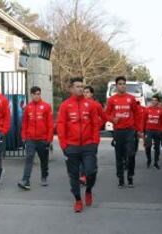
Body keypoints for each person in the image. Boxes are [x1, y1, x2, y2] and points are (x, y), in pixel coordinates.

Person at [57, 77, 100, 213]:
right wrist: (64, 145)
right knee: (73, 175)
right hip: (71, 147)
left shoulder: (90, 105)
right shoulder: (65, 105)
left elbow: (95, 124)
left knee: (91, 171)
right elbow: (61, 125)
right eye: (77, 86)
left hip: (88, 146)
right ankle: (78, 200)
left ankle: (88, 190)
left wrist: (95, 142)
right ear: (71, 88)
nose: (80, 89)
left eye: (82, 86)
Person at [105, 76, 143, 188]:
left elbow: (137, 114)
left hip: (130, 131)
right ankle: (121, 179)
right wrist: (112, 119)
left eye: (123, 84)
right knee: (119, 156)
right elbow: (106, 114)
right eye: (120, 84)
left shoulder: (131, 98)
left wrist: (139, 130)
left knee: (131, 154)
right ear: (116, 86)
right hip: (118, 131)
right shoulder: (112, 99)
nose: (122, 85)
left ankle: (130, 177)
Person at [18, 86, 54, 190]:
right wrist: (24, 136)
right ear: (31, 95)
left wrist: (49, 139)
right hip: (30, 139)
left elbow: (50, 125)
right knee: (29, 158)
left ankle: (44, 176)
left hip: (43, 139)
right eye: (35, 94)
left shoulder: (46, 106)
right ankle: (25, 180)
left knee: (44, 160)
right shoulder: (28, 107)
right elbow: (24, 123)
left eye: (39, 94)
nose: (37, 96)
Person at [79, 86, 106, 185]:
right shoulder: (79, 104)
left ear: (92, 94)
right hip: (81, 135)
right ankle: (83, 176)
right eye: (84, 92)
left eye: (87, 92)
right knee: (81, 156)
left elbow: (104, 117)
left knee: (90, 156)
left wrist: (98, 125)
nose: (85, 94)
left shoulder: (96, 105)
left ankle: (91, 171)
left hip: (92, 136)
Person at [143, 95, 162, 169]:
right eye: (152, 100)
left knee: (157, 147)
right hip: (148, 130)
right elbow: (143, 120)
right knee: (148, 145)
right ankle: (149, 160)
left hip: (157, 131)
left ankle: (156, 162)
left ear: (158, 101)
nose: (153, 101)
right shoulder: (147, 110)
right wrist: (142, 130)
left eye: (155, 100)